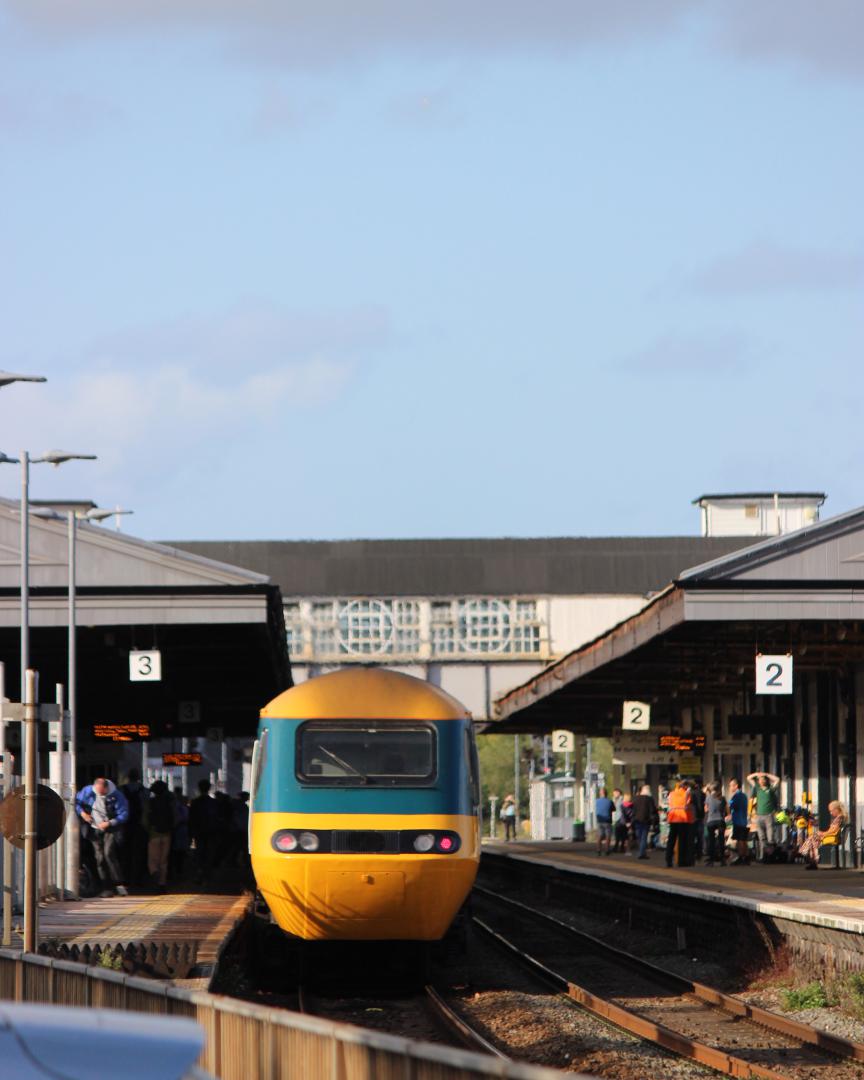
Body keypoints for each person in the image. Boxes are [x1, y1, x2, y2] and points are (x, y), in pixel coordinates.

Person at [75, 777, 129, 897]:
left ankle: (118, 883)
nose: (99, 794)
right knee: (99, 857)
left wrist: (109, 823)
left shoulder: (116, 795)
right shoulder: (88, 791)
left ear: (106, 788)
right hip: (94, 828)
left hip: (110, 828)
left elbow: (124, 814)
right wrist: (83, 814)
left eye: (102, 792)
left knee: (109, 853)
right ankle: (105, 886)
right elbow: (76, 802)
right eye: (97, 792)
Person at [143, 780, 175, 891]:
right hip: (167, 833)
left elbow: (144, 819)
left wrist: (148, 829)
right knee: (164, 860)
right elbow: (175, 817)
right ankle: (162, 883)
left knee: (153, 859)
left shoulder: (149, 802)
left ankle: (154, 872)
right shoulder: (169, 802)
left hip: (153, 834)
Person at [119, 768, 148, 886]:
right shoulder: (144, 791)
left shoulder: (121, 790)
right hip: (140, 824)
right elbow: (146, 807)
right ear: (138, 777)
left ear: (128, 777)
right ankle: (138, 878)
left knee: (125, 852)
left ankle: (125, 877)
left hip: (125, 825)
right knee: (139, 852)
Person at [799, 800, 846, 869]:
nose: (831, 813)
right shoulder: (840, 817)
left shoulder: (839, 818)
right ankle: (812, 858)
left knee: (813, 837)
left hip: (833, 837)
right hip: (832, 836)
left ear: (837, 809)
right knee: (813, 837)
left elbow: (834, 830)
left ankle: (809, 856)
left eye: (831, 811)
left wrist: (823, 833)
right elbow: (833, 830)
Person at [189, 779, 220, 882]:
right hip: (212, 831)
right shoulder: (214, 802)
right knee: (210, 853)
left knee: (199, 852)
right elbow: (217, 818)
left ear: (199, 788)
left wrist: (191, 833)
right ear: (209, 788)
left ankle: (199, 872)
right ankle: (208, 874)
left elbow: (191, 818)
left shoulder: (195, 802)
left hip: (199, 832)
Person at [747, 770, 780, 861]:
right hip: (759, 816)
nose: (761, 781)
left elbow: (777, 779)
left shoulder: (771, 789)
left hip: (769, 815)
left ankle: (771, 855)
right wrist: (757, 774)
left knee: (770, 837)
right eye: (759, 780)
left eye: (763, 779)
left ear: (766, 780)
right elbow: (748, 778)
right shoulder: (757, 788)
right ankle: (763, 855)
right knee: (761, 837)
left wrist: (766, 774)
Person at [665, 778, 692, 868]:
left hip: (673, 818)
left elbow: (669, 804)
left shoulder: (671, 794)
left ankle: (668, 860)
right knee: (682, 841)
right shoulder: (686, 793)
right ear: (685, 786)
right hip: (683, 818)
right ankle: (681, 861)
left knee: (671, 840)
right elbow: (688, 804)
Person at [704, 781, 727, 866]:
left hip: (711, 821)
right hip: (720, 821)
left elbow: (706, 809)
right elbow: (725, 810)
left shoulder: (708, 798)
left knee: (711, 841)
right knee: (721, 840)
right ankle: (722, 859)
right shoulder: (723, 798)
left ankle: (711, 860)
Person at [728, 778, 750, 865]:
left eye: (730, 785)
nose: (729, 787)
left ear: (736, 786)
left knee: (739, 839)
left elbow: (731, 806)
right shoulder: (744, 796)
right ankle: (746, 856)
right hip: (743, 820)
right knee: (744, 839)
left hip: (738, 820)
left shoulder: (736, 796)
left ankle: (741, 857)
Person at [632, 784, 657, 860]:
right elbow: (652, 810)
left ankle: (641, 852)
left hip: (637, 820)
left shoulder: (635, 799)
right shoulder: (649, 799)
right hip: (646, 820)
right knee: (644, 837)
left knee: (639, 836)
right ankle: (641, 853)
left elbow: (634, 810)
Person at [171, 788, 190, 881]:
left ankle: (176, 870)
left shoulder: (174, 803)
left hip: (176, 829)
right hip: (183, 828)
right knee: (181, 851)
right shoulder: (183, 804)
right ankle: (179, 869)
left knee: (176, 851)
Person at [595, 787, 614, 855]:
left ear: (600, 793)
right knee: (608, 836)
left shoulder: (596, 801)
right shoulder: (610, 801)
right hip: (607, 820)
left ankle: (598, 850)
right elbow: (614, 809)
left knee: (599, 836)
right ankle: (607, 850)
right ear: (606, 793)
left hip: (599, 821)